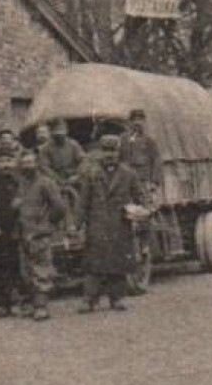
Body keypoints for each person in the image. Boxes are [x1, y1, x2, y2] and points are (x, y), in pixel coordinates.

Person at [75, 133, 149, 313]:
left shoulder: (129, 174)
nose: (110, 155)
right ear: (100, 152)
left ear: (119, 152)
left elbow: (141, 197)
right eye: (106, 151)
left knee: (118, 263)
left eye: (113, 151)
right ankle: (89, 300)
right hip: (97, 225)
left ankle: (117, 299)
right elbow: (83, 201)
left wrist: (139, 211)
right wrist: (76, 225)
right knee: (93, 265)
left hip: (119, 224)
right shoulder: (91, 173)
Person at [15, 148, 70, 321]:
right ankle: (32, 304)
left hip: (40, 234)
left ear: (36, 164)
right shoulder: (21, 184)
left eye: (30, 162)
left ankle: (41, 307)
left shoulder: (46, 182)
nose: (27, 166)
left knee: (42, 271)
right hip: (24, 234)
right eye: (24, 163)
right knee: (27, 271)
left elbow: (60, 207)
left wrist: (46, 225)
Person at [0, 147, 24, 315]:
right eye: (2, 161)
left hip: (19, 229)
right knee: (1, 265)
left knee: (18, 266)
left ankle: (19, 300)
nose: (5, 165)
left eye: (9, 161)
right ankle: (2, 303)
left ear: (15, 162)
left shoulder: (20, 183)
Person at [119, 108, 163, 192]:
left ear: (144, 122)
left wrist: (154, 181)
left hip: (143, 180)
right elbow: (118, 157)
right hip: (125, 179)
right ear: (130, 122)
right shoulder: (123, 139)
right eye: (134, 120)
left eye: (140, 120)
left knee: (144, 202)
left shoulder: (149, 140)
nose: (137, 123)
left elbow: (156, 160)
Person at [38, 120, 87, 190]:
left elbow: (83, 161)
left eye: (61, 132)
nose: (59, 136)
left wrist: (77, 175)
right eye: (57, 133)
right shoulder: (46, 148)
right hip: (55, 178)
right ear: (52, 133)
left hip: (73, 176)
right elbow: (44, 167)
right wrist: (58, 179)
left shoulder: (73, 144)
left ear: (66, 132)